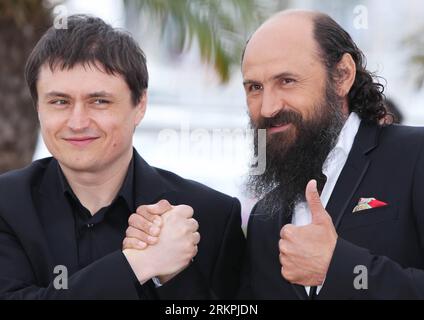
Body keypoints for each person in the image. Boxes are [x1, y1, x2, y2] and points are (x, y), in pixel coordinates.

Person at [134, 10, 424, 299]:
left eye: (287, 81)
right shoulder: (265, 218)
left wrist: (340, 268)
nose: (268, 107)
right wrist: (170, 270)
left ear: (342, 75)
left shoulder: (414, 157)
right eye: (255, 88)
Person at [0, 14, 245, 300]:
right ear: (38, 108)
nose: (77, 122)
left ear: (140, 105)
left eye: (99, 101)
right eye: (59, 102)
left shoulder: (211, 215)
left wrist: (175, 277)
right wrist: (140, 263)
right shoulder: (6, 205)